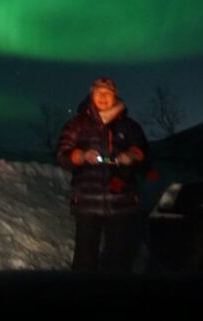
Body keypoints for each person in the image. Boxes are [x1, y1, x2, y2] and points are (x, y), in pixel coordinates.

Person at [56, 77, 149, 272]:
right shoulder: (77, 124)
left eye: (108, 92)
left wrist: (132, 156)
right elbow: (62, 154)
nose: (103, 97)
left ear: (115, 95)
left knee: (118, 259)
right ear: (91, 95)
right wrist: (80, 155)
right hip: (87, 203)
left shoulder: (129, 126)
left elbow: (145, 154)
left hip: (122, 203)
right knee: (84, 259)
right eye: (99, 92)